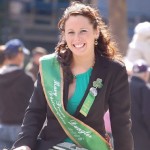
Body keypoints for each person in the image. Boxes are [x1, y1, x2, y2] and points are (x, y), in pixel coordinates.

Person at [12, 2, 133, 150]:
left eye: (83, 31)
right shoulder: (50, 66)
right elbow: (35, 112)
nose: (77, 38)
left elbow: (121, 123)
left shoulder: (114, 70)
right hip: (51, 146)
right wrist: (24, 145)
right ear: (64, 35)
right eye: (71, 32)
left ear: (96, 32)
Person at [0, 39, 34, 149]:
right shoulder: (26, 78)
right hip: (21, 128)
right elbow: (34, 105)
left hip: (2, 126)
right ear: (19, 55)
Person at [129, 59, 150, 150]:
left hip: (124, 133)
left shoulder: (123, 85)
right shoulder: (144, 88)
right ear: (146, 74)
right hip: (142, 135)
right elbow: (147, 114)